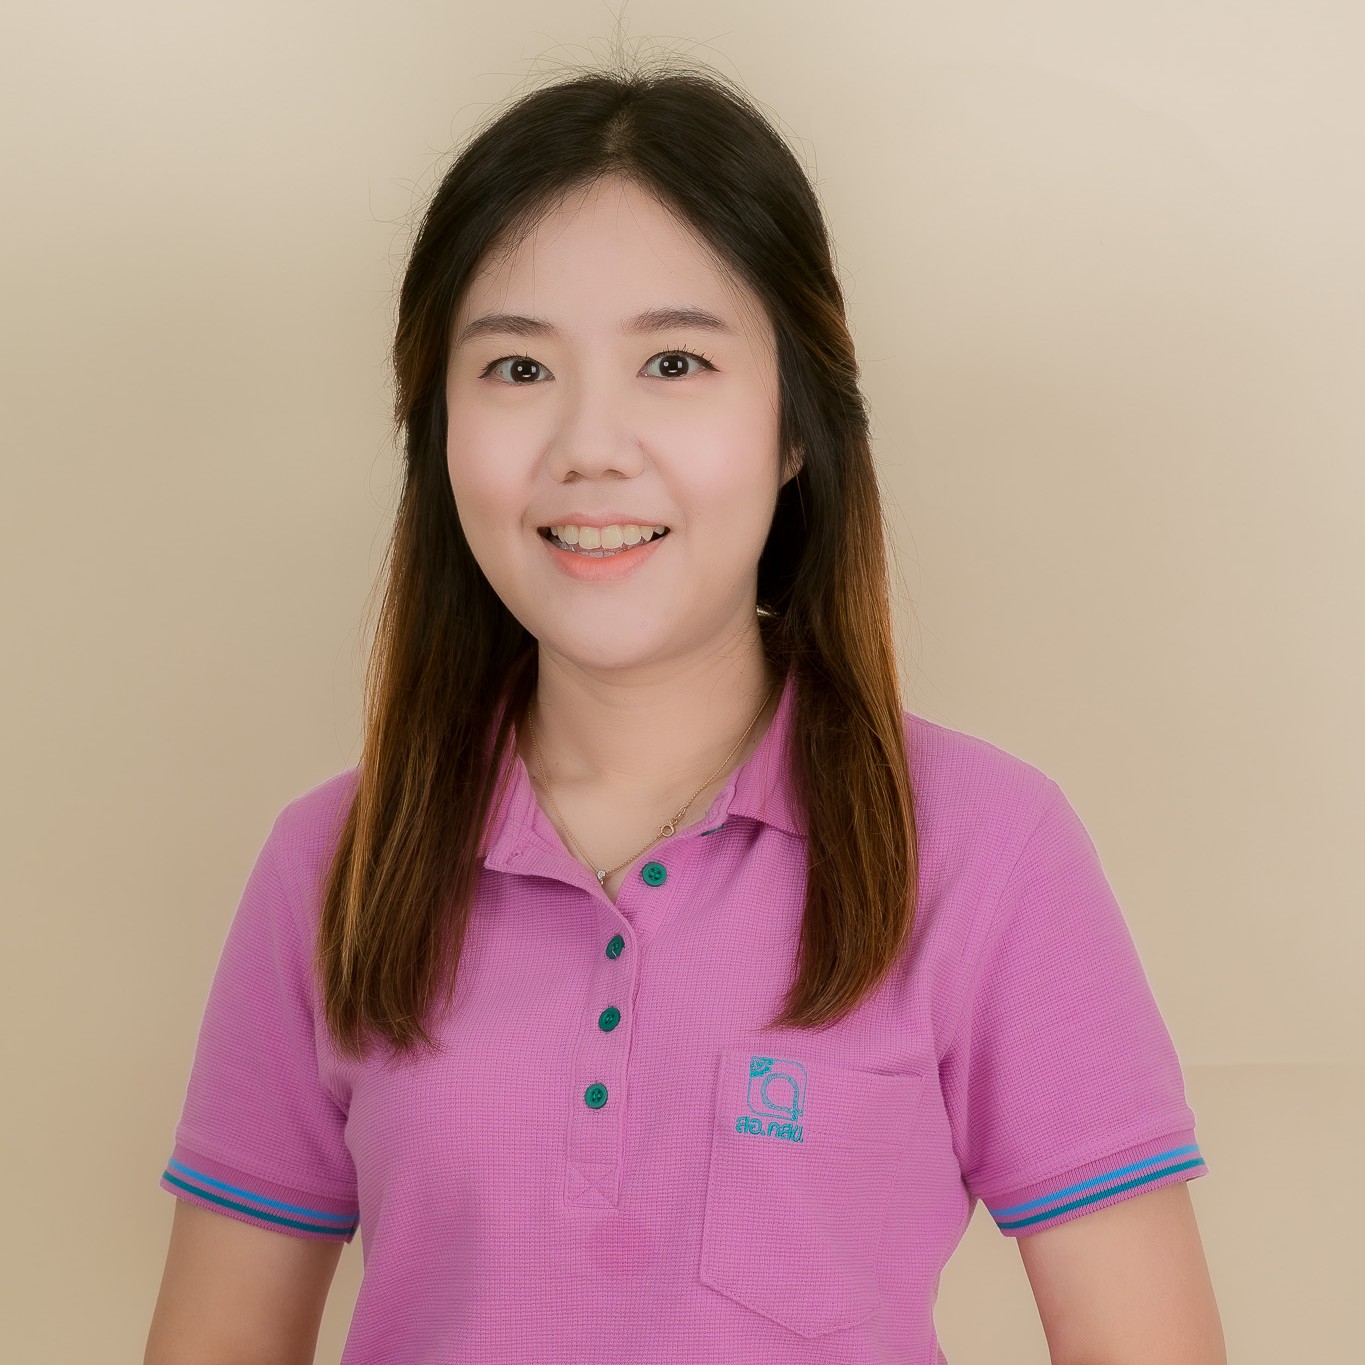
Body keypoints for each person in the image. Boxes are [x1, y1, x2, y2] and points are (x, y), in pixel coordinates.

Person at [144, 58, 1225, 1365]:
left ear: (793, 429)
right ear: (436, 433)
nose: (591, 446)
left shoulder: (987, 847)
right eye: (516, 367)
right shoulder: (334, 864)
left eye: (673, 360)